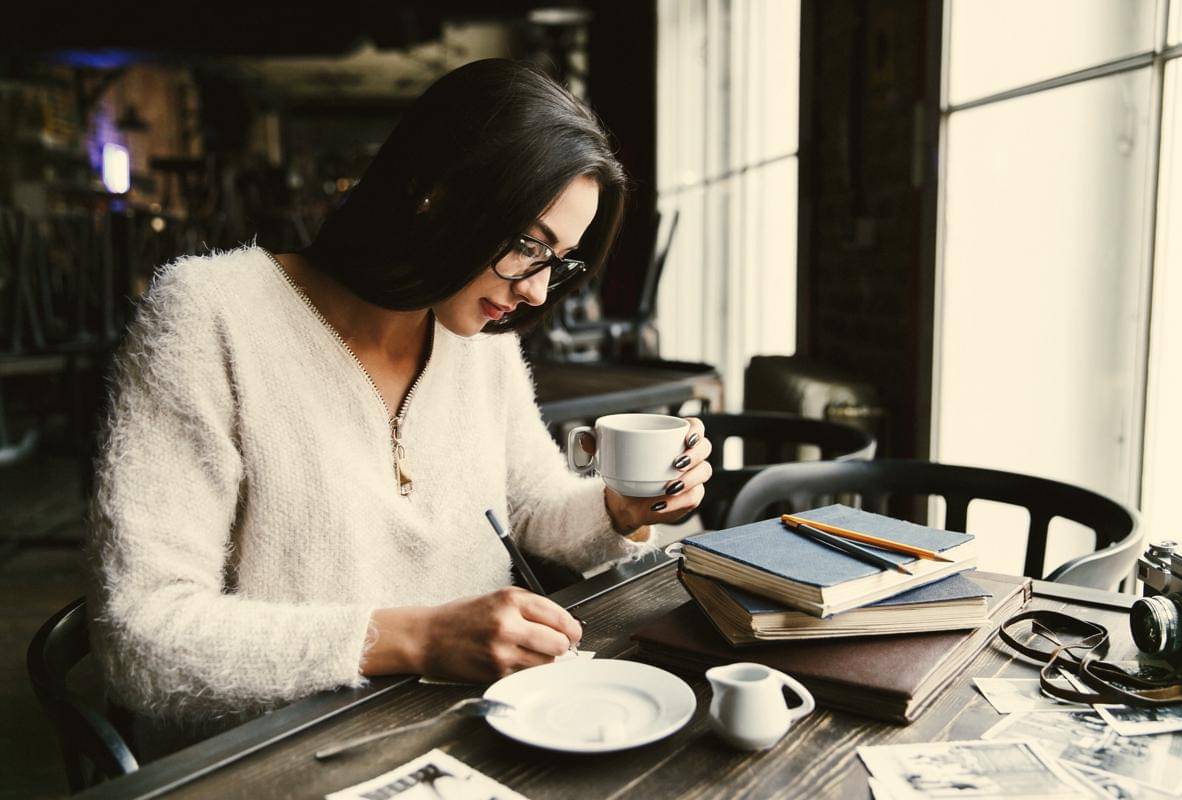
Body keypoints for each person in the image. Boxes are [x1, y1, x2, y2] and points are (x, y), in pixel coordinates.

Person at [85, 59, 713, 745]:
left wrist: (621, 509)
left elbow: (533, 506)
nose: (537, 292)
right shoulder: (210, 316)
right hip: (285, 753)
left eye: (559, 261)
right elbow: (142, 637)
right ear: (433, 194)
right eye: (528, 245)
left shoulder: (481, 341)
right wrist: (416, 638)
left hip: (486, 730)